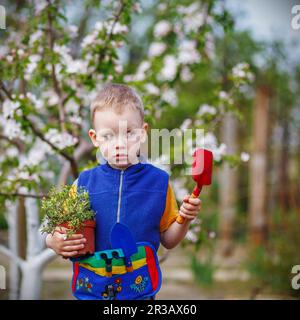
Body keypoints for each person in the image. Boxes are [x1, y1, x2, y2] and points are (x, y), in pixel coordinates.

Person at [45, 83, 201, 300]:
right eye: (108, 136)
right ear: (95, 138)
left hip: (139, 291)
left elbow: (169, 240)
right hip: (94, 286)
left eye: (129, 133)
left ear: (143, 133)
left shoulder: (159, 183)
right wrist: (53, 241)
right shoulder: (83, 183)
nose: (120, 144)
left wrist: (185, 218)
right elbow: (57, 229)